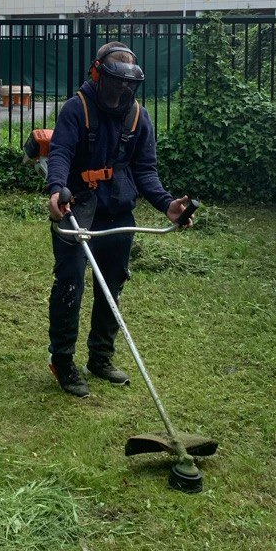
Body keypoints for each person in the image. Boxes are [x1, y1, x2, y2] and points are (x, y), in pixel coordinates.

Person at [45, 43, 192, 397]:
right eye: (115, 82)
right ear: (98, 74)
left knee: (112, 284)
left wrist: (166, 205)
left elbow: (146, 171)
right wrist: (56, 190)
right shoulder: (75, 110)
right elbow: (61, 152)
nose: (122, 91)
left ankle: (100, 357)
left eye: (129, 85)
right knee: (70, 283)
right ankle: (62, 361)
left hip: (117, 209)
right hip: (76, 206)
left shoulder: (139, 118)